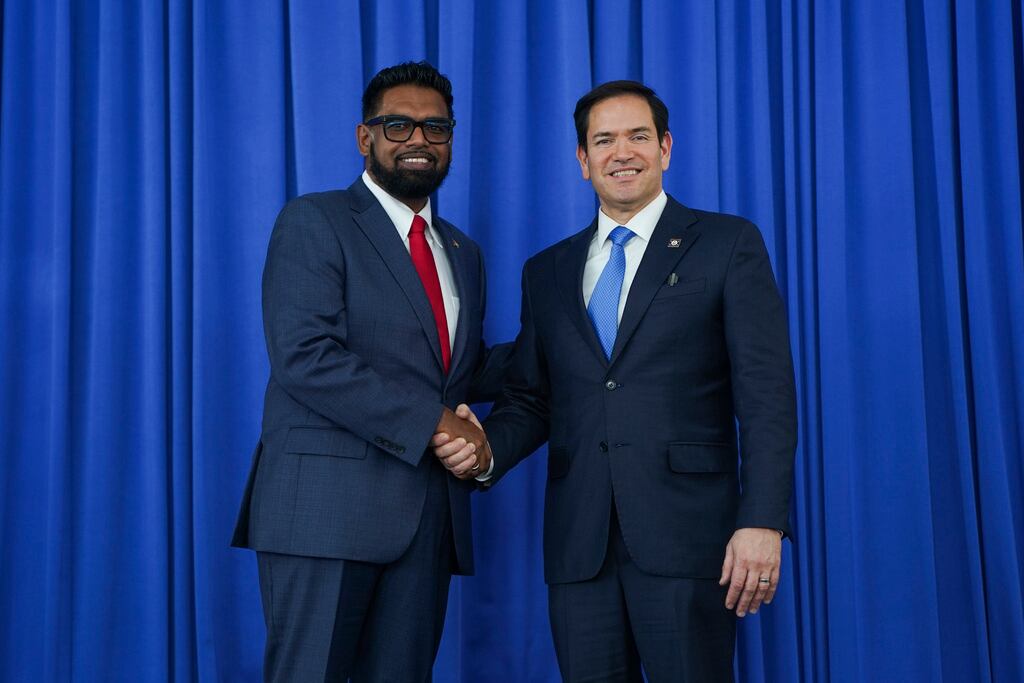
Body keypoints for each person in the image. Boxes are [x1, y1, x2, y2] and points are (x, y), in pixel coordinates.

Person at [434, 80, 797, 681]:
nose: (621, 152)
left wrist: (762, 521)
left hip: (689, 538)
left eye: (637, 136)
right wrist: (485, 452)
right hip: (581, 547)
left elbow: (767, 395)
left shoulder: (727, 244)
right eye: (603, 140)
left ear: (666, 148)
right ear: (582, 160)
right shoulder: (546, 271)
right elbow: (532, 395)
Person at [232, 61, 508, 682]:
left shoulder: (462, 252)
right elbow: (305, 356)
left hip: (425, 525)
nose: (418, 140)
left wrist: (582, 341)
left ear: (452, 139)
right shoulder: (315, 220)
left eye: (436, 128)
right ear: (366, 137)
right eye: (399, 125)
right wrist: (436, 421)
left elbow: (460, 370)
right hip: (323, 517)